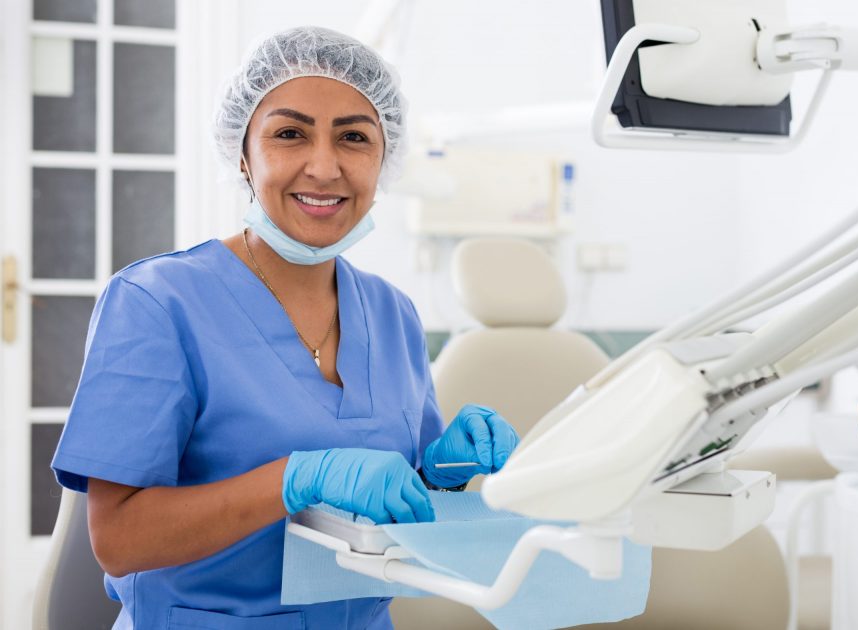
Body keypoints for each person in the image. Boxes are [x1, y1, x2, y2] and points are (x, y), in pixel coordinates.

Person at [50, 26, 519, 630]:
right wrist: (296, 478)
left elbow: (388, 510)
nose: (324, 167)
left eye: (354, 137)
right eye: (290, 134)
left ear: (384, 160)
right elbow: (118, 539)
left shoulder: (392, 312)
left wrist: (442, 475)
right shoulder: (157, 303)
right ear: (244, 154)